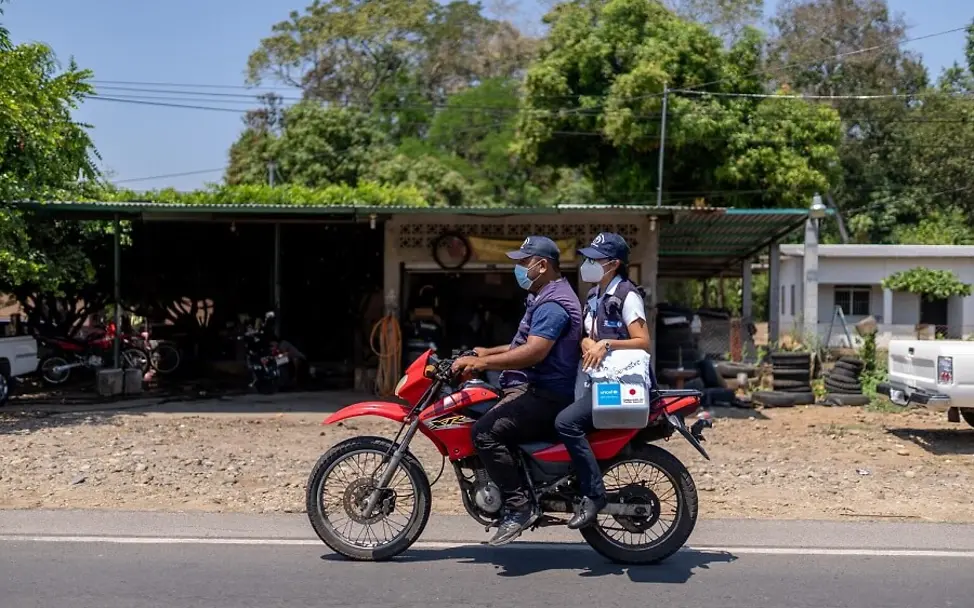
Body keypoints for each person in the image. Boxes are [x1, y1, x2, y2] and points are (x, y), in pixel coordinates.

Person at [452, 236, 582, 546]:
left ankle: (518, 506)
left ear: (542, 265)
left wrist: (484, 363)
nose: (519, 269)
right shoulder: (543, 295)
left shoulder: (553, 304)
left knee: (484, 433)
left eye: (523, 263)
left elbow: (534, 352)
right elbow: (520, 346)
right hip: (536, 388)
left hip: (547, 394)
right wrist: (484, 353)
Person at [554, 232, 650, 530]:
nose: (588, 264)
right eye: (588, 258)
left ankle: (594, 495)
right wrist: (586, 342)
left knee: (566, 423)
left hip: (618, 386)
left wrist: (606, 344)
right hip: (594, 379)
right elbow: (588, 334)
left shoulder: (627, 295)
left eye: (595, 259)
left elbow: (643, 341)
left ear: (613, 263)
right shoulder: (595, 296)